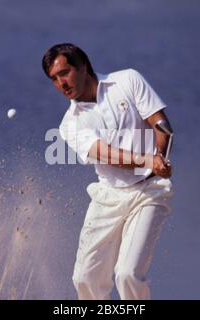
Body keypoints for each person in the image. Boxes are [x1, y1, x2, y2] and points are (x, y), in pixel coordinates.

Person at [42, 43, 174, 300]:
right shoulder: (70, 125)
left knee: (127, 274)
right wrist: (149, 159)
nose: (61, 84)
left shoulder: (127, 80)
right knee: (84, 278)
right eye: (54, 79)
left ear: (84, 67)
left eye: (65, 73)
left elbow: (161, 123)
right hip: (108, 196)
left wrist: (161, 159)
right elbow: (107, 155)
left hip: (150, 191)